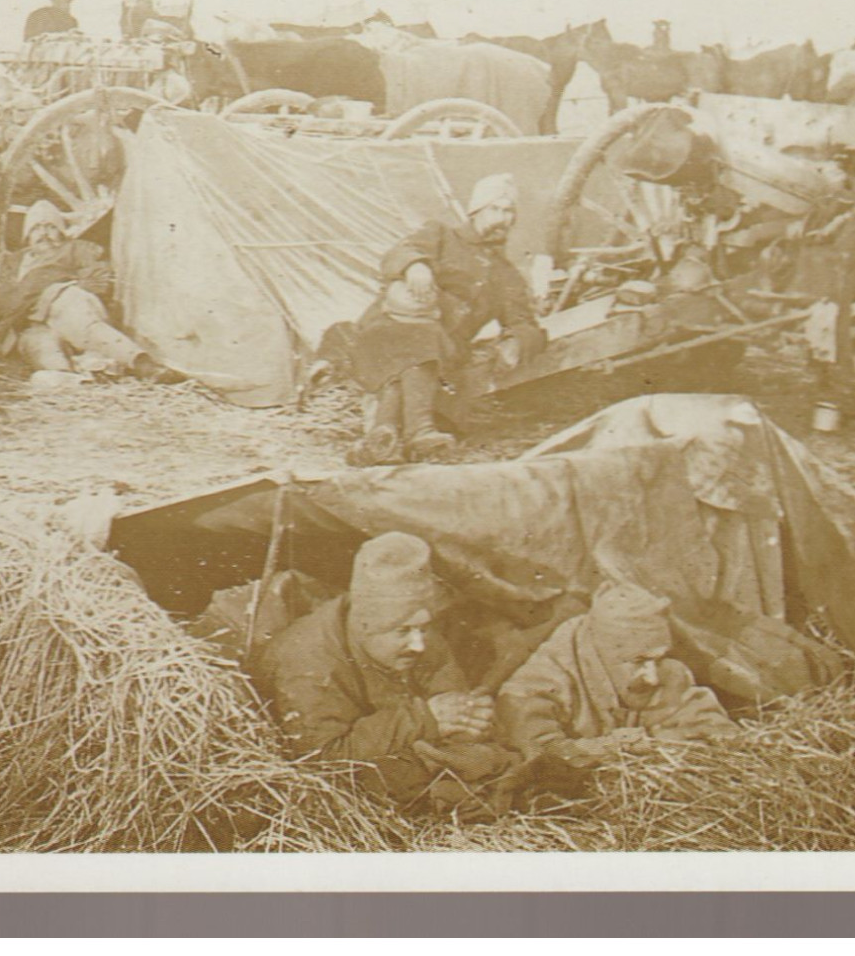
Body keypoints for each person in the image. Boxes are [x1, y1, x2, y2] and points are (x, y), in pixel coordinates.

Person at [257, 532, 517, 808]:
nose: (418, 644)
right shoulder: (309, 663)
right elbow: (321, 758)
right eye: (403, 631)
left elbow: (449, 689)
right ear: (366, 626)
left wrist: (470, 718)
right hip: (342, 763)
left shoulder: (417, 632)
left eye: (423, 627)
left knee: (486, 760)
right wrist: (425, 719)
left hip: (396, 741)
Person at [346, 173, 546, 466]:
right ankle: (419, 431)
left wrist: (518, 341)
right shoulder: (440, 235)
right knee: (417, 339)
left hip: (444, 352)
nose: (503, 218)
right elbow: (400, 252)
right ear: (476, 211)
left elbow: (525, 322)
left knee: (424, 344)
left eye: (509, 212)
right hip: (385, 333)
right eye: (496, 209)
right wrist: (415, 266)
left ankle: (382, 435)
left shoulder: (506, 275)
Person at [495, 580, 738, 764]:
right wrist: (623, 745)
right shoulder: (532, 689)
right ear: (598, 654)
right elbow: (542, 756)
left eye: (658, 657)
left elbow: (718, 736)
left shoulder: (664, 672)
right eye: (637, 661)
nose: (652, 676)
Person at [0, 199, 184, 384]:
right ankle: (82, 373)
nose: (44, 233)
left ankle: (143, 364)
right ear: (27, 235)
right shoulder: (13, 262)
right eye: (36, 228)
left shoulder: (76, 249)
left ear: (61, 231)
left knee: (77, 313)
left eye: (51, 227)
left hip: (69, 310)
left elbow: (100, 276)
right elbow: (2, 302)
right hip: (32, 325)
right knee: (47, 358)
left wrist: (66, 286)